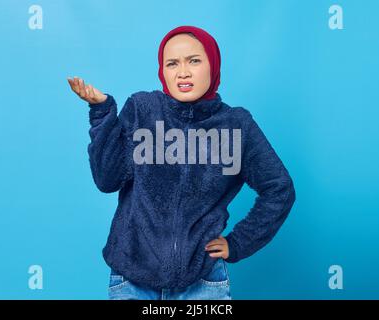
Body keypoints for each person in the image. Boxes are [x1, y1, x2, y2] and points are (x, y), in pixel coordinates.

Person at [67, 25, 296, 300]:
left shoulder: (237, 125)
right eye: (172, 63)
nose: (183, 72)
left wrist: (238, 243)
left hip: (203, 284)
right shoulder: (142, 110)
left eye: (194, 61)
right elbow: (107, 180)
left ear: (213, 65)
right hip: (132, 281)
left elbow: (279, 189)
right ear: (162, 71)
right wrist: (102, 113)